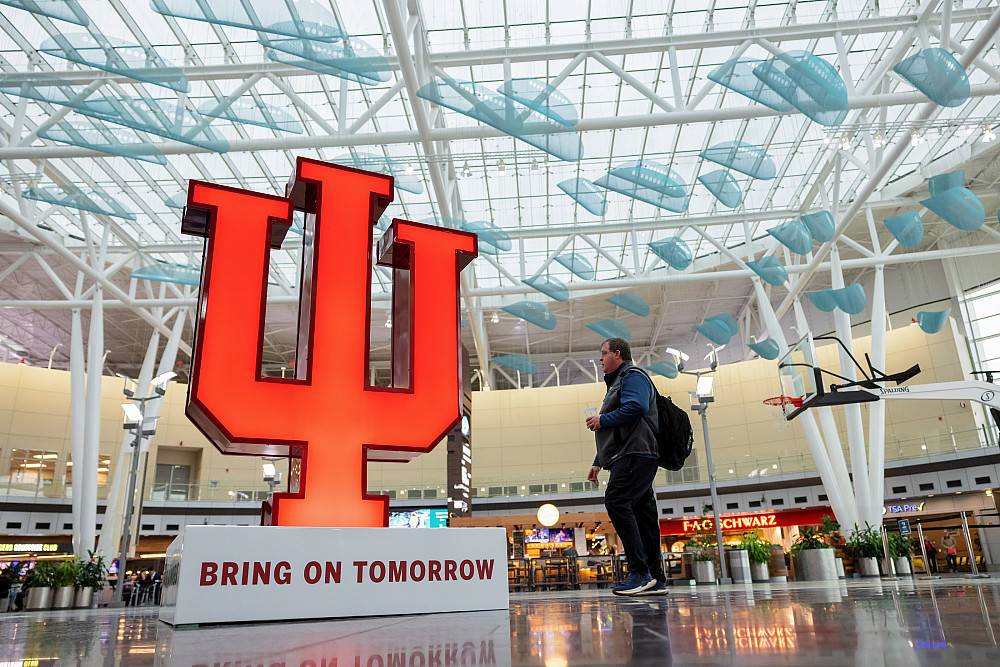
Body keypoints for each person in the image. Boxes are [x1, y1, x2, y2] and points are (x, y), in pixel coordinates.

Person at [586, 337, 667, 596]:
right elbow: (620, 430)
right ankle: (655, 578)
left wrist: (602, 419)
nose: (600, 358)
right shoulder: (620, 381)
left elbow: (637, 407)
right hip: (635, 453)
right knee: (644, 515)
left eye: (604, 353)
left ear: (617, 354)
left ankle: (639, 572)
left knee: (617, 500)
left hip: (636, 453)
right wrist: (598, 462)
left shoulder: (632, 376)